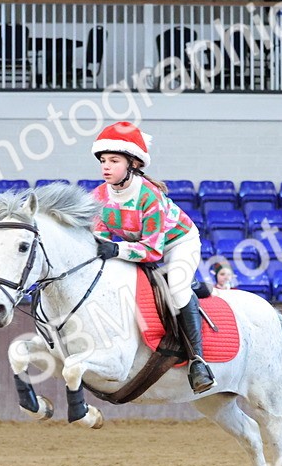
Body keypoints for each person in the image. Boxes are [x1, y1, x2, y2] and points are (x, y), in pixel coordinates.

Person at [90, 121, 215, 393]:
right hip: (136, 244)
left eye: (114, 160)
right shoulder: (98, 196)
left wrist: (117, 249)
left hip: (176, 244)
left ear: (133, 164)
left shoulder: (149, 196)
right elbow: (99, 237)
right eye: (103, 160)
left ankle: (198, 361)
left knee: (178, 290)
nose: (106, 167)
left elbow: (153, 251)